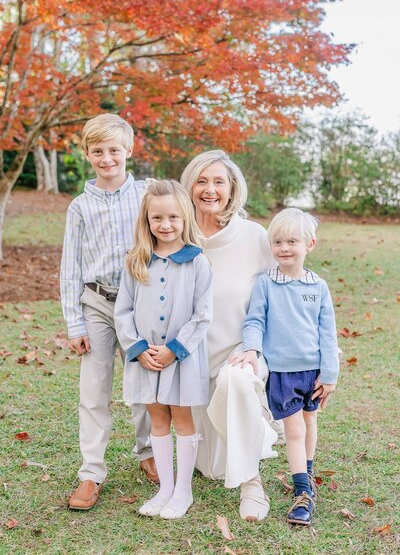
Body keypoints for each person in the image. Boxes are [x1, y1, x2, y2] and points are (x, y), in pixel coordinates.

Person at [60, 113, 157, 511]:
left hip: (139, 304)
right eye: (97, 151)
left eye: (114, 150)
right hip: (96, 304)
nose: (106, 158)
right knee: (94, 390)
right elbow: (70, 266)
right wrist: (74, 322)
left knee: (142, 384)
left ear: (128, 151)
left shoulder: (146, 194)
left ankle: (148, 452)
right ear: (87, 154)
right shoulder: (80, 206)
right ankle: (91, 472)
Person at [180, 150, 283, 522]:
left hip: (243, 352)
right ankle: (253, 433)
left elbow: (283, 296)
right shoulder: (176, 233)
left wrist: (257, 347)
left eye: (218, 181)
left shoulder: (253, 236)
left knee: (238, 380)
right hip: (189, 364)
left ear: (232, 188)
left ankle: (253, 485)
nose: (210, 189)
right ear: (188, 186)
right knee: (212, 469)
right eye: (201, 180)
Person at [114, 179, 212, 519]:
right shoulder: (136, 261)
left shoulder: (197, 261)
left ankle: (183, 491)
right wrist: (138, 348)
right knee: (157, 418)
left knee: (181, 418)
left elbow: (203, 315)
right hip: (146, 358)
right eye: (157, 219)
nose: (165, 225)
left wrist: (174, 349)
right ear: (147, 220)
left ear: (185, 217)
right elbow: (122, 310)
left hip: (179, 358)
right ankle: (164, 490)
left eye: (173, 217)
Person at [239, 207, 339, 526]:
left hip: (314, 373)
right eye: (278, 241)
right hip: (283, 374)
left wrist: (330, 374)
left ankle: (307, 475)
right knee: (294, 430)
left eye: (292, 241)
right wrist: (252, 349)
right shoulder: (266, 284)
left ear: (309, 244)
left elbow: (327, 332)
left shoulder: (317, 287)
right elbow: (254, 320)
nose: (284, 248)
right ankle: (302, 494)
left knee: (310, 424)